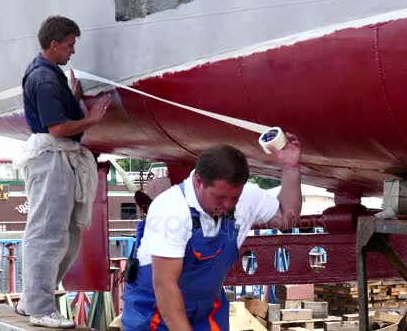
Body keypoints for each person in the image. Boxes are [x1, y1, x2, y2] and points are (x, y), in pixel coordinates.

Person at [122, 135, 302, 331]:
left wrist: (291, 168)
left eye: (234, 197)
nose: (227, 205)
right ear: (198, 182)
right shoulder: (170, 209)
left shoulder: (248, 196)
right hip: (155, 313)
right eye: (219, 197)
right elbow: (166, 286)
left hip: (207, 312)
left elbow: (286, 219)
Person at [13, 16, 111, 328]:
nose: (72, 52)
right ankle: (41, 309)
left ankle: (32, 299)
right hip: (52, 158)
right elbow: (57, 128)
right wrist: (92, 119)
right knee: (46, 232)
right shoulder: (43, 78)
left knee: (68, 233)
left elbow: (56, 115)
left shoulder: (49, 73)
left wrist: (72, 97)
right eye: (69, 46)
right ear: (53, 44)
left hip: (59, 157)